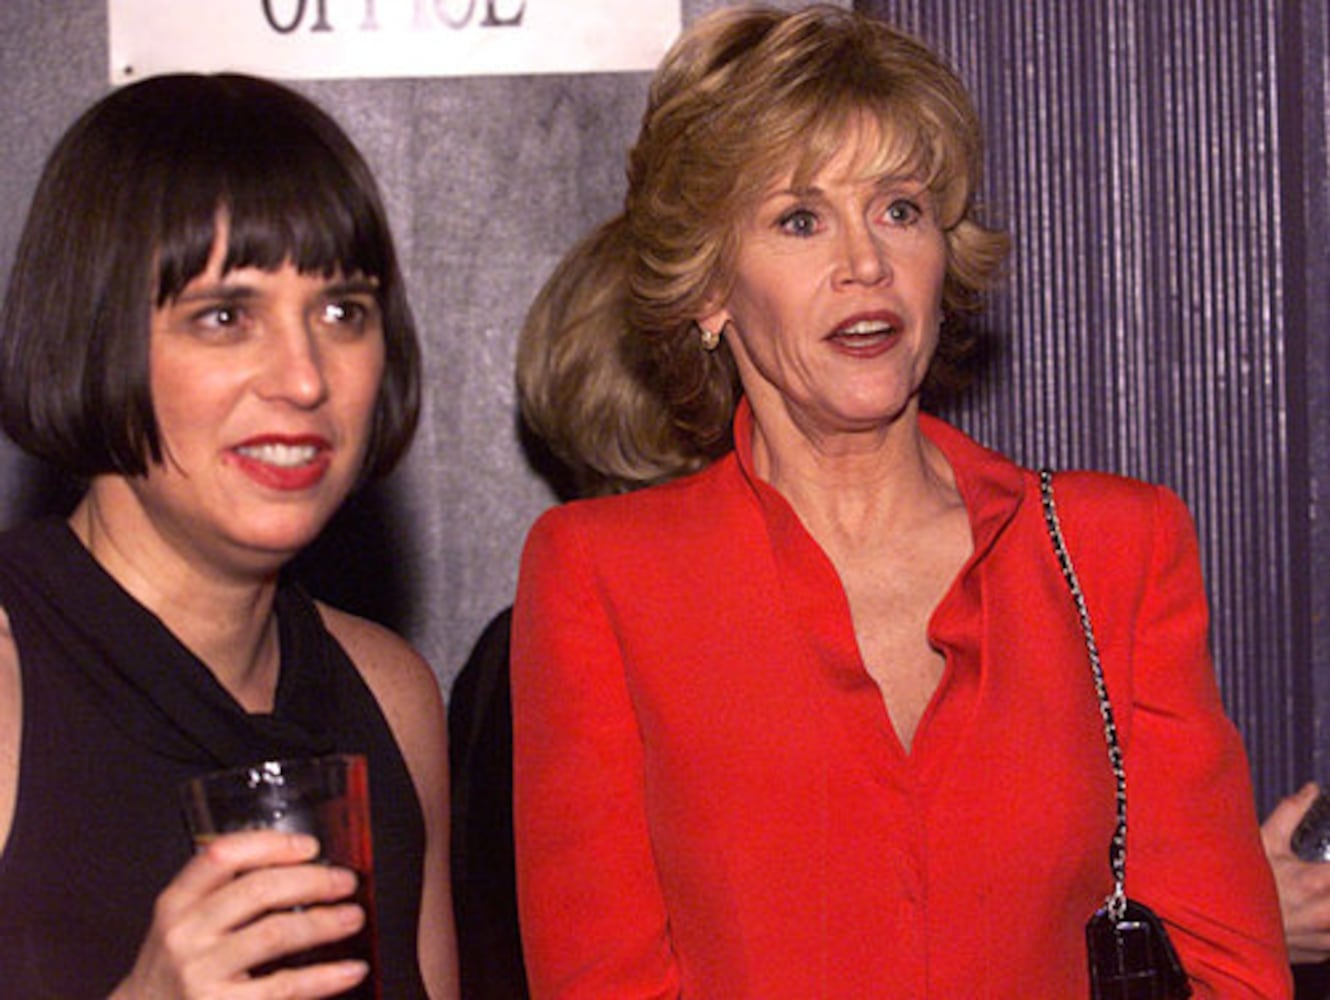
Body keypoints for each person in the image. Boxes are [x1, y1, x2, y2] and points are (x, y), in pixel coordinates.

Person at [508, 5, 1291, 996]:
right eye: (800, 220)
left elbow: (1235, 972)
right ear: (709, 289)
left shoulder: (1113, 549)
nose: (866, 263)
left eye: (899, 210)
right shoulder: (604, 576)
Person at [0, 73, 457, 999]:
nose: (304, 377)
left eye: (342, 312)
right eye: (225, 316)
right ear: (92, 335)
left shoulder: (391, 696)